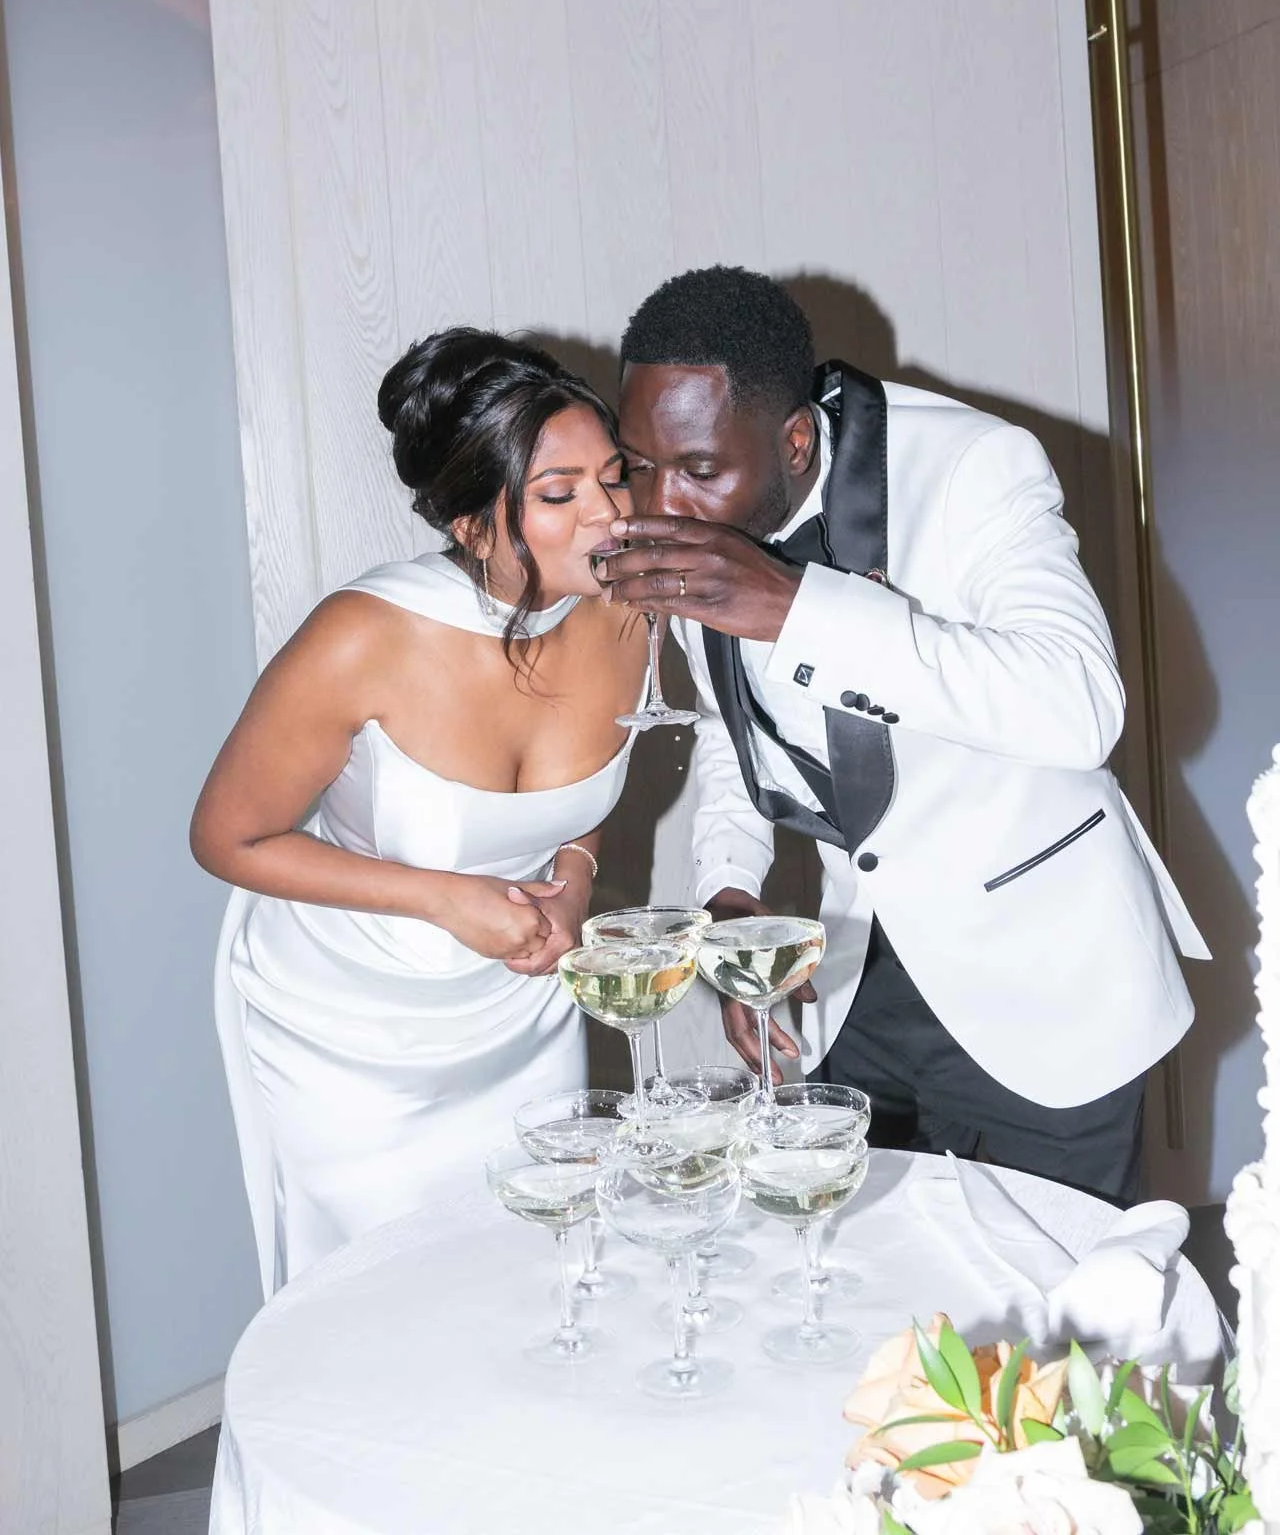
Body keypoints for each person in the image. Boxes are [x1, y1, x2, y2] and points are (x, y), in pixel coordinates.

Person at [597, 265, 1209, 1203]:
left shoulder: (974, 468)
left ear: (796, 440)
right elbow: (737, 733)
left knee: (1056, 1318)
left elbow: (1083, 705)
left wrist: (799, 607)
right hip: (859, 983)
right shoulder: (689, 521)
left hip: (1042, 983)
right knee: (874, 1300)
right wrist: (727, 893)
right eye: (639, 463)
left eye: (698, 470)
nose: (659, 505)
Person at [192, 329, 648, 1292]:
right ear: (471, 526)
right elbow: (226, 837)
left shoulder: (630, 609)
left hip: (520, 1010)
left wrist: (572, 883)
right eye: (560, 496)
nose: (611, 515)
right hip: (349, 1031)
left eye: (615, 476)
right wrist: (446, 898)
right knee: (385, 1304)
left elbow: (576, 806)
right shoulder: (364, 637)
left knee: (542, 1279)